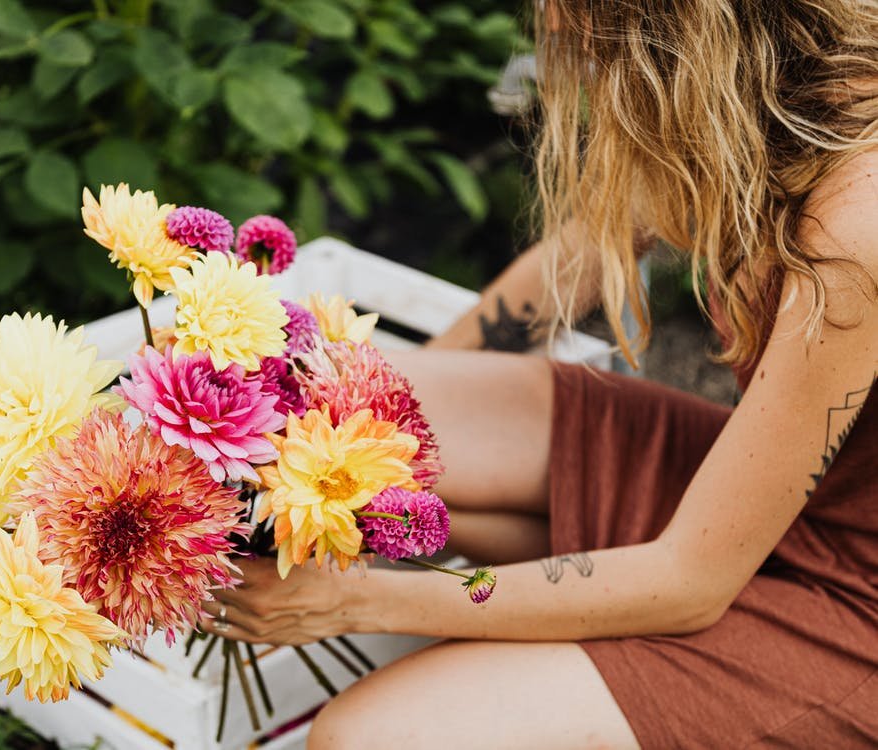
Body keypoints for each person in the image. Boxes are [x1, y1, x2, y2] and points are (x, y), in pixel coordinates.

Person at [200, 2, 878, 746]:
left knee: (369, 738)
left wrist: (353, 603)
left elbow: (688, 583)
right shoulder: (755, 104)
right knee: (327, 408)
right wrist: (368, 429)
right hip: (764, 498)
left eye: (566, 9)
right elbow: (587, 246)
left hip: (849, 607)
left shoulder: (856, 222)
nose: (548, 28)